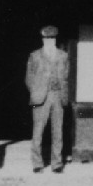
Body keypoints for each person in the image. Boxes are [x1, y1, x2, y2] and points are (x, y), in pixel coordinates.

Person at [25, 25, 71, 173]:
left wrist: (62, 92)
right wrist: (36, 90)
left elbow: (67, 76)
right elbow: (28, 78)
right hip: (40, 98)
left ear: (55, 39)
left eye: (52, 38)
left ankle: (57, 164)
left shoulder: (63, 56)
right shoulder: (35, 56)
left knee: (58, 132)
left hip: (58, 96)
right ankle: (37, 163)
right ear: (43, 39)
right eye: (46, 38)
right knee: (38, 131)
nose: (49, 41)